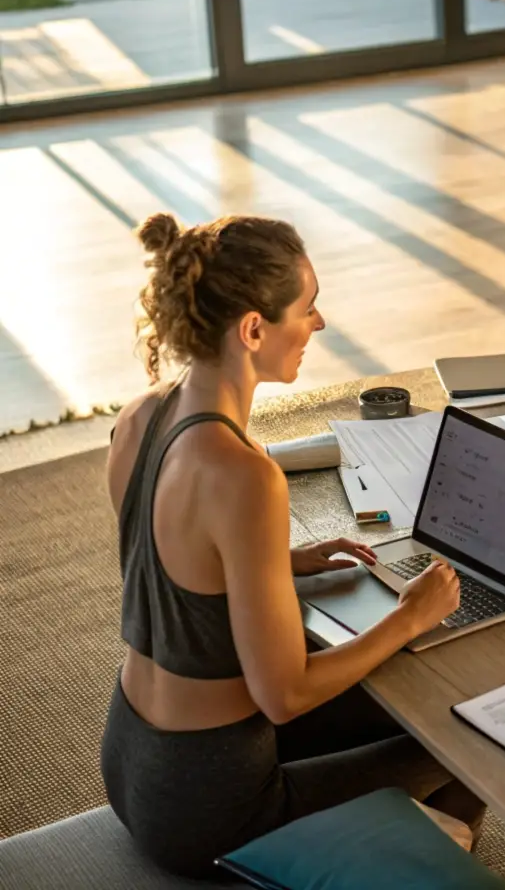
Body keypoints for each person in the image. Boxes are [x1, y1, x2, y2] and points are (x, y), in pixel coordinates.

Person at [101, 212, 484, 877]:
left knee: (397, 694)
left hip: (132, 753)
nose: (320, 323)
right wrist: (410, 617)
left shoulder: (143, 415)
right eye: (307, 309)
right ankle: (411, 862)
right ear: (254, 329)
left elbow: (166, 566)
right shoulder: (245, 475)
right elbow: (284, 695)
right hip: (217, 806)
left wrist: (277, 563)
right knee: (475, 733)